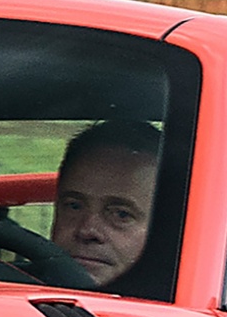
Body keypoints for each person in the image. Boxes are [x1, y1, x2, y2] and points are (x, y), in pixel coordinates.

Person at [51, 119, 159, 288]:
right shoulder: (11, 291)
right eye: (74, 206)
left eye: (121, 214)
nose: (87, 231)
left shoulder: (185, 307)